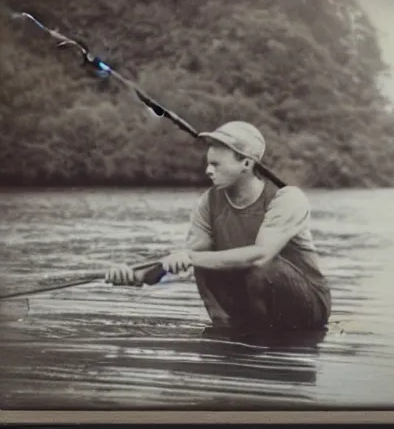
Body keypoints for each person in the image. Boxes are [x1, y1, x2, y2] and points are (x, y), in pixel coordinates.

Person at [105, 121, 332, 331]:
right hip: (252, 301)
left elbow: (260, 256)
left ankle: (262, 343)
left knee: (260, 268)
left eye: (216, 164)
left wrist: (192, 257)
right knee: (205, 262)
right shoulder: (207, 203)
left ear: (246, 163)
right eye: (208, 163)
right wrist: (137, 276)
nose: (208, 170)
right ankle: (229, 334)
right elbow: (187, 265)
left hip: (308, 306)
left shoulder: (288, 199)